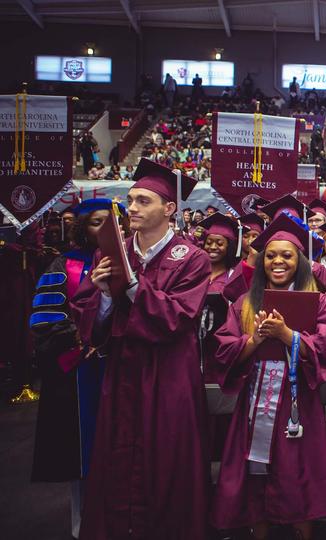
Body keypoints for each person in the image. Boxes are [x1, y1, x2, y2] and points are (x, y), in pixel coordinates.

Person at [72, 159, 210, 539]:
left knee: (167, 457)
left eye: (143, 201)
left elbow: (178, 318)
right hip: (123, 372)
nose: (131, 207)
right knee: (119, 455)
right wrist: (101, 295)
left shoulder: (192, 258)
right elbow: (92, 328)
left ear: (169, 209)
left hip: (170, 373)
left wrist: (131, 285)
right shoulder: (110, 254)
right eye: (130, 200)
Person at [210, 213, 326, 539]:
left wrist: (288, 335)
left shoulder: (319, 302)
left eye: (287, 255)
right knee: (257, 472)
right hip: (255, 402)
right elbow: (224, 350)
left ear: (300, 260)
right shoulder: (244, 303)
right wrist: (253, 340)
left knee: (300, 471)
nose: (278, 261)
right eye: (270, 255)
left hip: (298, 404)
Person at [30, 199, 119, 540]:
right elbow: (45, 319)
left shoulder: (127, 263)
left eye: (110, 222)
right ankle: (81, 525)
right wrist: (81, 339)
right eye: (97, 222)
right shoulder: (62, 264)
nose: (105, 229)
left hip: (118, 368)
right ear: (82, 229)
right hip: (79, 371)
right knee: (81, 451)